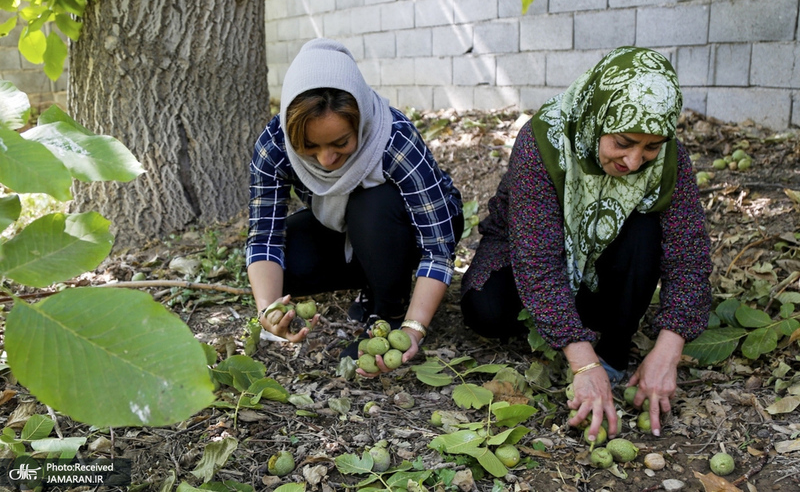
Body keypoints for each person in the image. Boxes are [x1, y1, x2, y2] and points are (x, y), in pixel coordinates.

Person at [459, 47, 712, 441]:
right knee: (486, 309)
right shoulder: (543, 141)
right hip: (532, 245)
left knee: (647, 229)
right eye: (623, 142)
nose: (634, 161)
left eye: (650, 147)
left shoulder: (670, 159)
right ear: (598, 118)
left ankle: (610, 349)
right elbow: (537, 259)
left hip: (608, 254)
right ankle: (572, 333)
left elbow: (688, 254)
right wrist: (581, 364)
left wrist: (668, 350)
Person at [246, 38, 464, 376]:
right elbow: (264, 239)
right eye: (309, 146)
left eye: (341, 143)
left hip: (408, 229)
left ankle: (387, 311)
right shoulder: (274, 145)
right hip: (345, 227)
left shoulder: (394, 137)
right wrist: (270, 313)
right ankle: (376, 278)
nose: (327, 159)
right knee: (286, 264)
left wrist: (413, 329)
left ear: (359, 121)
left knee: (371, 202)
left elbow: (438, 248)